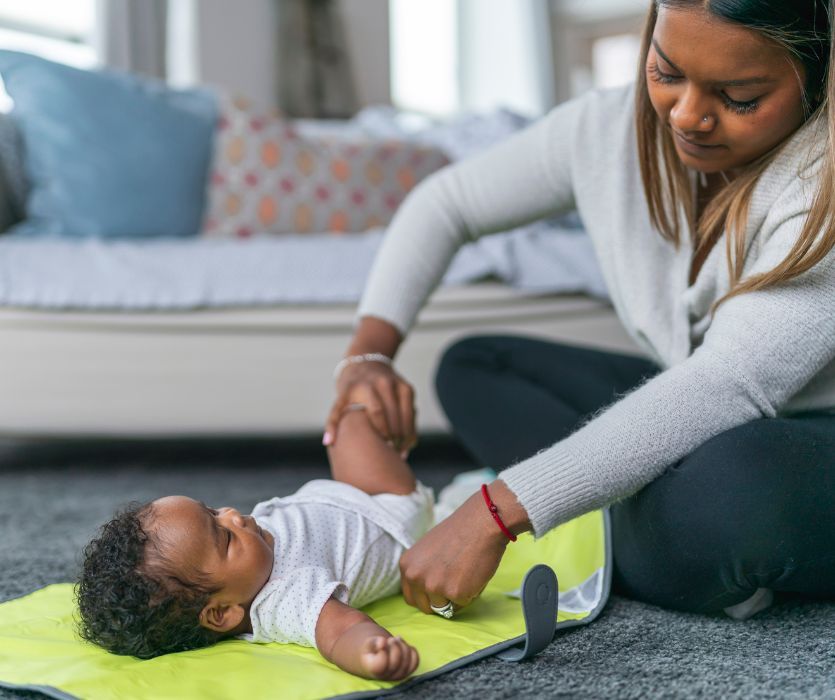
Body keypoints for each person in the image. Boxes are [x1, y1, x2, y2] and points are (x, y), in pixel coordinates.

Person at [324, 0, 835, 621]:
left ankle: (663, 530)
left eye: (739, 97)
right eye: (667, 73)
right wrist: (366, 357)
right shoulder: (603, 130)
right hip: (711, 407)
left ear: (818, 76)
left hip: (796, 432)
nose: (687, 115)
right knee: (477, 366)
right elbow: (446, 205)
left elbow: (728, 383)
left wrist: (497, 512)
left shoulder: (822, 181)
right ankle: (660, 538)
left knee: (743, 486)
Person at [76, 407, 431, 680]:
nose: (232, 514)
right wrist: (371, 652)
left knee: (341, 417)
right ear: (221, 613)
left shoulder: (249, 564)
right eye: (225, 537)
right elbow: (340, 631)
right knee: (354, 417)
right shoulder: (283, 598)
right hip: (393, 512)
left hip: (348, 495)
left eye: (213, 511)